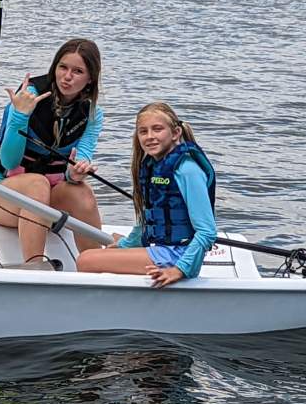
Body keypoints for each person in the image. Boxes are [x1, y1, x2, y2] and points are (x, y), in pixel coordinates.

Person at [0, 38, 104, 263]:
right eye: (63, 67)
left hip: (46, 202)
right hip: (0, 196)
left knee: (83, 193)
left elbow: (82, 157)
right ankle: (34, 266)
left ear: (90, 79)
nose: (67, 77)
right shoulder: (27, 96)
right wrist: (20, 115)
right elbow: (9, 162)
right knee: (38, 183)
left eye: (78, 71)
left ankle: (96, 266)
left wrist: (75, 173)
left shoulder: (92, 113)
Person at [76, 102, 216, 288]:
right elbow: (146, 221)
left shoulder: (188, 170)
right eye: (143, 131)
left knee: (86, 260)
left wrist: (180, 270)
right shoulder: (153, 166)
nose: (150, 137)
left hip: (178, 256)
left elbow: (207, 232)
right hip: (164, 250)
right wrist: (126, 246)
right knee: (112, 243)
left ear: (175, 133)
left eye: (157, 129)